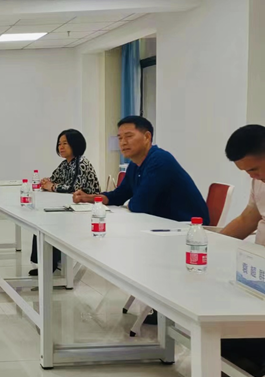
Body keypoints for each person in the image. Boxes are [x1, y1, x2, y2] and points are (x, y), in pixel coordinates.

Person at [73, 115, 210, 225]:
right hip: (161, 224)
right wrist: (91, 198)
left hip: (187, 227)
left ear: (147, 137)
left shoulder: (160, 160)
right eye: (120, 138)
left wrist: (129, 203)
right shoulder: (134, 164)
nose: (123, 142)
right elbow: (119, 195)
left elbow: (140, 205)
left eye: (129, 136)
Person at [219, 124, 265, 377]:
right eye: (246, 172)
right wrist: (212, 244)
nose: (253, 176)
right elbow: (248, 218)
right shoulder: (259, 182)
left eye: (254, 169)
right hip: (258, 271)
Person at [29, 129, 101, 276]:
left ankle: (49, 263)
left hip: (87, 208)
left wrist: (52, 186)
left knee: (51, 221)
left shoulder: (81, 163)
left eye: (65, 144)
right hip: (71, 205)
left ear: (75, 144)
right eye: (59, 144)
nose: (61, 147)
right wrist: (46, 181)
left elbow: (73, 188)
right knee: (42, 220)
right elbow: (54, 179)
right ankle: (45, 262)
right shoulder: (65, 164)